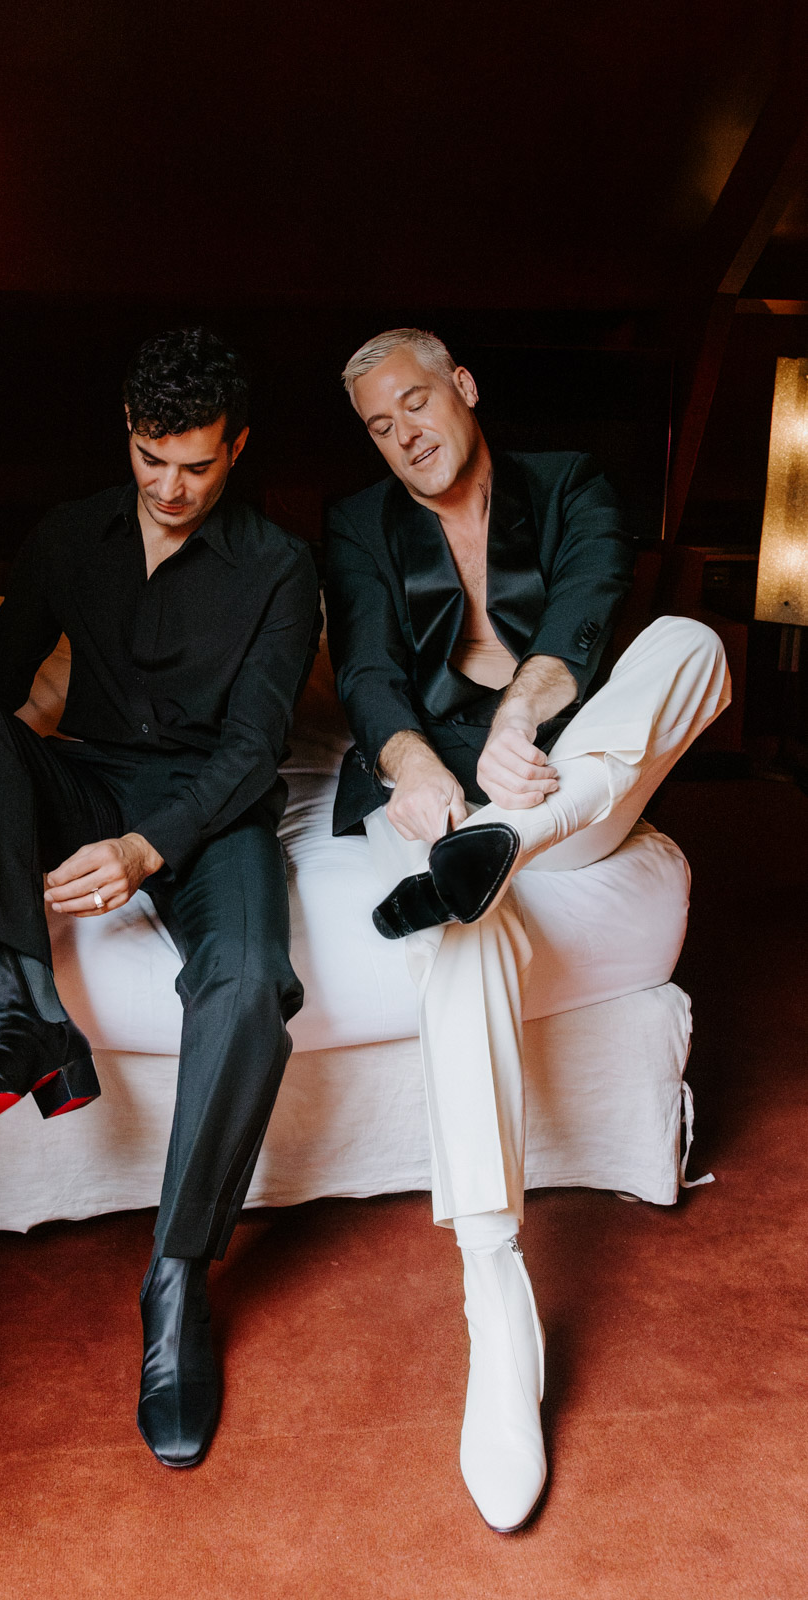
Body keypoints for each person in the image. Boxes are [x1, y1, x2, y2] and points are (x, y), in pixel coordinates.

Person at [324, 327, 730, 1532]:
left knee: (692, 646)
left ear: (462, 386)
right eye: (378, 426)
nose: (403, 435)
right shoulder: (358, 524)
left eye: (414, 402)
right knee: (463, 932)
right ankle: (493, 1296)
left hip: (562, 779)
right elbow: (365, 672)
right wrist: (410, 764)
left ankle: (507, 842)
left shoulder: (568, 483)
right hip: (439, 799)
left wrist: (520, 718)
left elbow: (592, 608)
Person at [0, 327, 320, 1470]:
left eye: (195, 464)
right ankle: (24, 1014)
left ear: (237, 447)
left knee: (249, 985)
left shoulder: (281, 567)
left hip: (208, 809)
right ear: (126, 434)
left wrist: (145, 849)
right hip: (84, 775)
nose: (170, 488)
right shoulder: (65, 535)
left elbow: (254, 749)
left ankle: (176, 1280)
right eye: (150, 458)